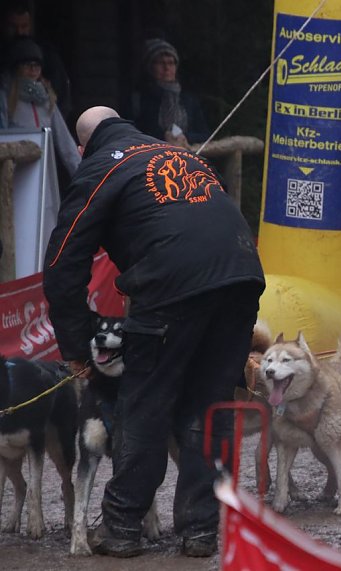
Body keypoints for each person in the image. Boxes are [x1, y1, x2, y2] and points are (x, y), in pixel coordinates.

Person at [42, 106, 264, 558]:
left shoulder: (101, 166)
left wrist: (76, 346)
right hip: (243, 277)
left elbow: (64, 262)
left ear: (83, 147)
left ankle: (122, 526)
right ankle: (202, 529)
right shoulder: (183, 155)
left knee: (146, 401)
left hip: (171, 287)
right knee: (209, 406)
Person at [4, 37, 80, 184]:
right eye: (27, 65)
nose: (33, 69)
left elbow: (65, 141)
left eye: (37, 65)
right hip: (15, 169)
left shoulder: (47, 98)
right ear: (17, 67)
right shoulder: (7, 98)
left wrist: (81, 174)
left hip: (44, 167)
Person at [133, 38, 211, 147]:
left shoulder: (188, 100)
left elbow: (205, 135)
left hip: (187, 155)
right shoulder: (140, 99)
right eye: (161, 63)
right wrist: (163, 137)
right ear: (150, 67)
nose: (166, 68)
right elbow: (134, 133)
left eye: (171, 63)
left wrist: (185, 137)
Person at [2, 0, 71, 118]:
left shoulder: (47, 54)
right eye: (13, 26)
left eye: (24, 26)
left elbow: (61, 94)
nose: (19, 32)